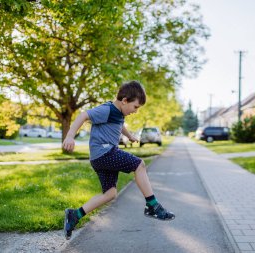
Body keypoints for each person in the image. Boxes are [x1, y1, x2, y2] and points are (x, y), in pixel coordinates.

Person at [62, 80, 175, 240]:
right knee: (139, 165)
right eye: (135, 107)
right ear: (124, 101)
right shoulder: (107, 109)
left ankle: (75, 214)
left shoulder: (118, 113)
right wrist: (70, 135)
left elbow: (119, 124)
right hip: (105, 152)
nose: (136, 111)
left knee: (110, 193)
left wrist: (129, 136)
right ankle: (152, 205)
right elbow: (83, 115)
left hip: (100, 157)